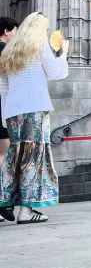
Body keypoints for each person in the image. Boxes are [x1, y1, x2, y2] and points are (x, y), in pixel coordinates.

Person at [0, 12, 68, 224]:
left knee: (13, 158)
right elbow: (57, 72)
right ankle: (26, 211)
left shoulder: (10, 49)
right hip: (34, 109)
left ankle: (3, 201)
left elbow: (3, 86)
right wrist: (63, 53)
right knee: (32, 158)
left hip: (12, 112)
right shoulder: (39, 44)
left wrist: (4, 114)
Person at [0, 17, 19, 161]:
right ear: (6, 31)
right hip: (2, 104)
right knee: (5, 153)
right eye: (15, 31)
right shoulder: (5, 50)